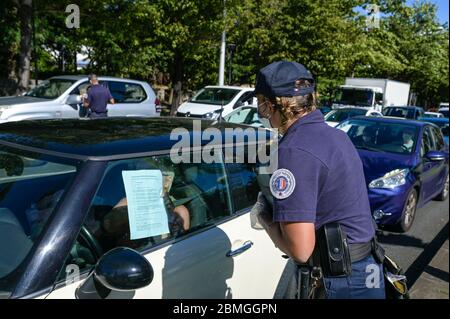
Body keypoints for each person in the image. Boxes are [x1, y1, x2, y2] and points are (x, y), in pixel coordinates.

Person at [252, 61, 385, 299]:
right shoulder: (337, 136)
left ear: (273, 104)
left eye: (261, 103)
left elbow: (301, 251)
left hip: (341, 280)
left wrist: (266, 220)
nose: (262, 111)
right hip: (368, 266)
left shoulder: (294, 150)